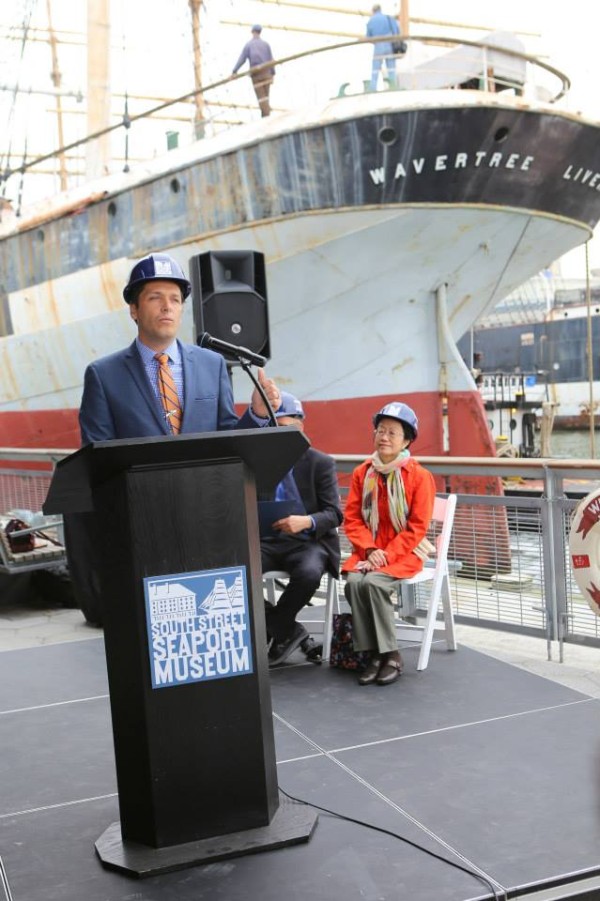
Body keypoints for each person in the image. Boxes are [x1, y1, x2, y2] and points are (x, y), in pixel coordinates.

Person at [69, 252, 281, 625]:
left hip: (208, 523)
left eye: (175, 299)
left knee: (208, 630)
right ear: (133, 309)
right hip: (141, 532)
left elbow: (227, 437)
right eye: (155, 297)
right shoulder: (103, 375)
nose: (167, 307)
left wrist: (258, 417)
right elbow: (97, 457)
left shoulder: (212, 364)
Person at [342, 402, 436, 686]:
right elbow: (353, 519)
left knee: (372, 584)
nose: (384, 437)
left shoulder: (419, 477)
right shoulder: (363, 473)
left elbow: (417, 528)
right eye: (380, 430)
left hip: (404, 551)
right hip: (369, 550)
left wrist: (385, 554)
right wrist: (370, 550)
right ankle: (373, 653)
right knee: (354, 583)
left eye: (392, 433)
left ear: (406, 441)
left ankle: (391, 654)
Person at [261, 392, 342, 667]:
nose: (282, 435)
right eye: (277, 429)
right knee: (234, 572)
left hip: (308, 541)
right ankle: (290, 630)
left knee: (309, 573)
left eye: (288, 429)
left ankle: (277, 627)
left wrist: (306, 521)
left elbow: (335, 514)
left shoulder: (321, 463)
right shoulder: (260, 462)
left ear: (301, 426)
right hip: (269, 539)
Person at [232, 24, 275, 117]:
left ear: (252, 32)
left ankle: (266, 118)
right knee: (266, 98)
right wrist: (273, 73)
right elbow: (271, 60)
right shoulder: (266, 45)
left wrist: (234, 71)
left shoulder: (249, 45)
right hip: (267, 73)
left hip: (256, 74)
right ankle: (265, 117)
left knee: (262, 99)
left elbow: (242, 59)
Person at [366, 4, 401, 91]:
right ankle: (392, 85)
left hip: (378, 46)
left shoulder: (370, 21)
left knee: (375, 69)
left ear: (373, 11)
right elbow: (397, 32)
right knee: (391, 67)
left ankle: (373, 88)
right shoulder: (388, 18)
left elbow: (368, 37)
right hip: (389, 44)